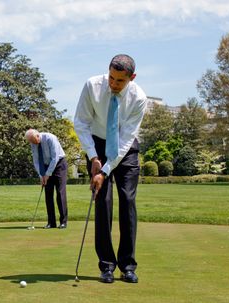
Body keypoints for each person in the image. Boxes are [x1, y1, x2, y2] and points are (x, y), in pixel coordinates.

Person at [74, 54, 147, 284]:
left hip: (125, 149)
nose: (113, 84)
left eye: (120, 81)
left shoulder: (139, 98)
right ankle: (106, 265)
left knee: (127, 201)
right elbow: (81, 123)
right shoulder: (92, 86)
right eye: (111, 78)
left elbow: (125, 140)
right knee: (102, 202)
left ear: (131, 78)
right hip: (97, 143)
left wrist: (105, 171)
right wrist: (93, 156)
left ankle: (127, 265)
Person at [25, 129, 68, 229]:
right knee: (48, 194)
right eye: (30, 142)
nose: (33, 143)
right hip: (45, 166)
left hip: (59, 165)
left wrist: (48, 174)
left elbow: (55, 158)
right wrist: (41, 175)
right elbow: (36, 161)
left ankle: (63, 222)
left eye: (33, 140)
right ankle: (51, 222)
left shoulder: (50, 138)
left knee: (60, 193)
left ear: (37, 135)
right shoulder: (33, 143)